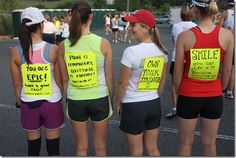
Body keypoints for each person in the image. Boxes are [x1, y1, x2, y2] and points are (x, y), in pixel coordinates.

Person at [174, 0, 233, 156]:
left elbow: (178, 72)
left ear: (195, 11)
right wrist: (221, 88)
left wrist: (178, 89)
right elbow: (227, 70)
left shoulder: (184, 36)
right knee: (210, 144)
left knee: (186, 143)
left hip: (188, 94)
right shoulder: (227, 35)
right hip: (213, 95)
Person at [58, 2, 113, 156]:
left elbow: (64, 80)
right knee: (100, 147)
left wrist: (65, 98)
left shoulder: (63, 45)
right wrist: (112, 98)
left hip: (75, 99)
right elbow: (110, 77)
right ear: (91, 17)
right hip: (99, 97)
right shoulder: (103, 43)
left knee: (81, 147)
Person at [9, 7, 64, 156]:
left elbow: (16, 83)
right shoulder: (53, 49)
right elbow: (60, 79)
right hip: (52, 102)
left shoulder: (15, 51)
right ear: (41, 25)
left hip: (29, 103)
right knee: (53, 149)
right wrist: (62, 95)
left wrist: (19, 101)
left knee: (33, 149)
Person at [115, 9, 168, 156]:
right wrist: (155, 95)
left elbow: (122, 84)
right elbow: (162, 80)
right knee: (152, 148)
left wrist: (118, 103)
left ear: (146, 28)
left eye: (133, 25)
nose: (130, 28)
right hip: (153, 103)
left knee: (136, 151)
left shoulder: (131, 51)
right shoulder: (161, 50)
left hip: (133, 105)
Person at [166, 3, 196, 118]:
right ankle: (189, 107)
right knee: (190, 83)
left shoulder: (176, 26)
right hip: (191, 59)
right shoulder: (195, 26)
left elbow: (175, 42)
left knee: (174, 85)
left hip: (177, 58)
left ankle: (175, 107)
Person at [222, 0, 234, 99]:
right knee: (232, 69)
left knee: (225, 68)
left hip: (228, 43)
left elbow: (218, 26)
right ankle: (230, 91)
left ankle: (223, 89)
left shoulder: (226, 13)